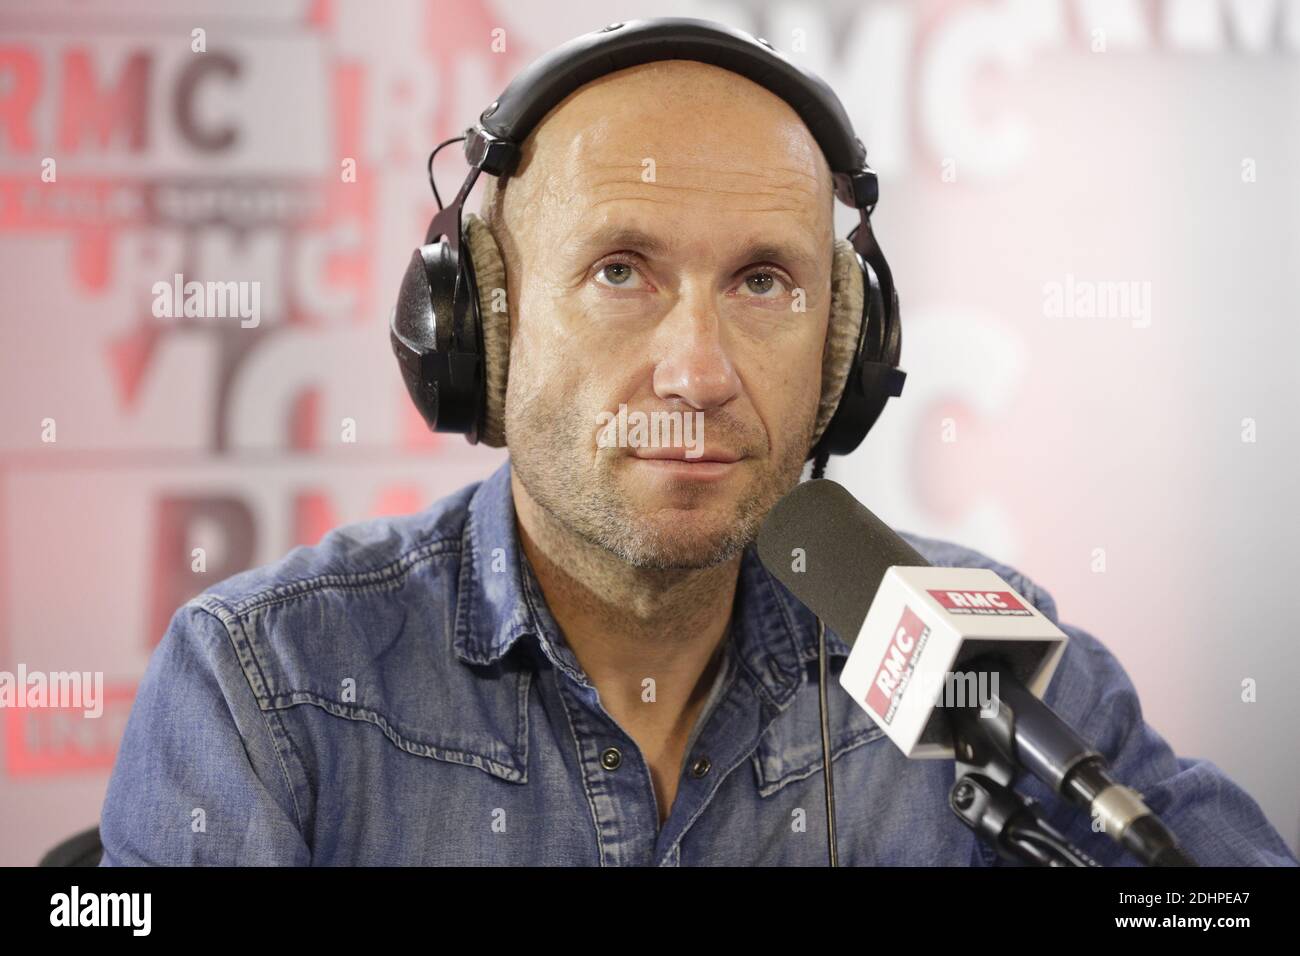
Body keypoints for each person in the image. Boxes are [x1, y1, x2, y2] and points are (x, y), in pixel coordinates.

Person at [99, 42, 1296, 867]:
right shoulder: (267, 685)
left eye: (764, 282)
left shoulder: (963, 650)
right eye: (621, 271)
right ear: (484, 328)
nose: (698, 368)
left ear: (845, 348)